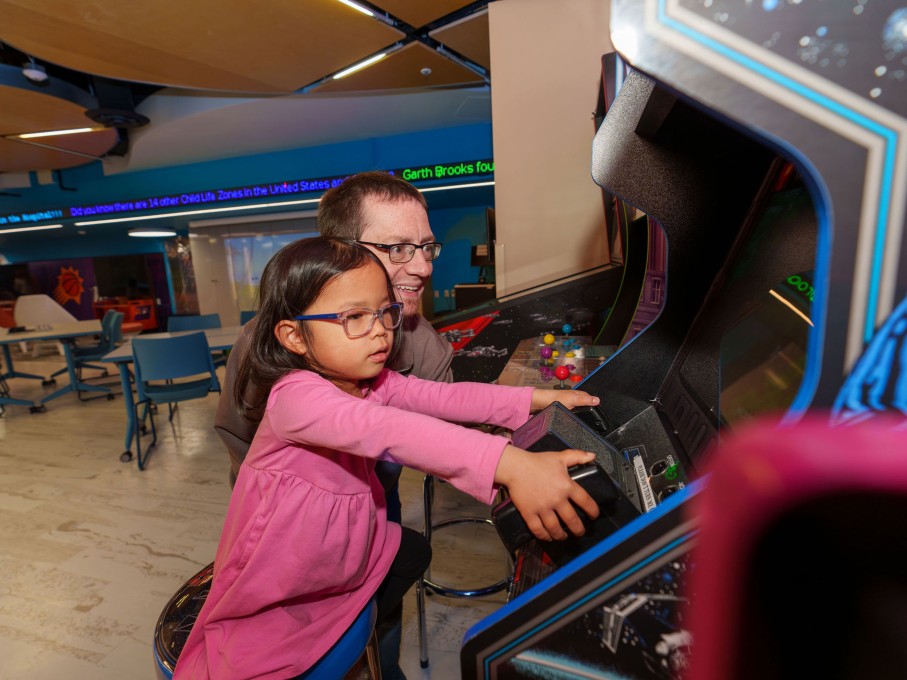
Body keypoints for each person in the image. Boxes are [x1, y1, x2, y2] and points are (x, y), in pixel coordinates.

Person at [176, 237, 601, 679]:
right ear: (294, 336)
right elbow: (392, 431)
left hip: (347, 539)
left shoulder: (368, 379)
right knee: (264, 656)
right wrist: (509, 464)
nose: (380, 329)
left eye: (384, 312)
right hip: (287, 562)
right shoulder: (295, 399)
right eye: (354, 317)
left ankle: (357, 620)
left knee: (412, 551)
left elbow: (443, 397)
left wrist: (536, 398)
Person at [212, 172, 452, 678]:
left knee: (379, 620)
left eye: (428, 247)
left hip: (377, 502)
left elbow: (446, 431)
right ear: (339, 251)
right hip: (289, 525)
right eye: (400, 248)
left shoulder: (423, 343)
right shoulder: (266, 343)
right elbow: (239, 435)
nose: (424, 266)